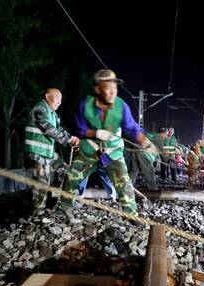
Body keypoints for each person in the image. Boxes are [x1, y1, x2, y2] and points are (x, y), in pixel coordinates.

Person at [59, 69, 158, 215]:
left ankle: (131, 215)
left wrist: (145, 142)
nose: (113, 92)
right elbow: (80, 130)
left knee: (124, 185)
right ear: (98, 89)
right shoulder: (86, 105)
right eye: (108, 88)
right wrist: (96, 133)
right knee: (71, 176)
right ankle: (65, 208)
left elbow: (131, 128)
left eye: (115, 88)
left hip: (113, 152)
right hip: (90, 151)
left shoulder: (121, 106)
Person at [25, 88, 80, 213]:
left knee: (66, 172)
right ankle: (38, 212)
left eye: (61, 100)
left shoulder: (53, 114)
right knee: (41, 181)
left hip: (48, 153)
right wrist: (69, 139)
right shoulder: (40, 108)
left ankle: (62, 203)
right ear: (47, 96)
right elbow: (48, 129)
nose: (59, 102)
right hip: (38, 151)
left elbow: (58, 130)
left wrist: (70, 141)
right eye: (57, 98)